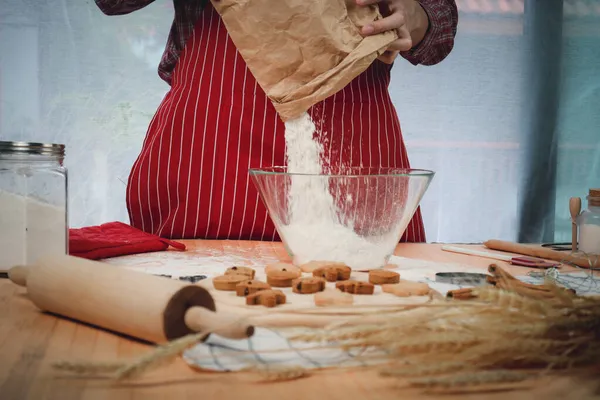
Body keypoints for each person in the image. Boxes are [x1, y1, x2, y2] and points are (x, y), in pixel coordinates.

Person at [95, 0, 458, 242]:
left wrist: (416, 12)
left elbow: (440, 25)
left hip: (354, 135)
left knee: (376, 313)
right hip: (213, 138)